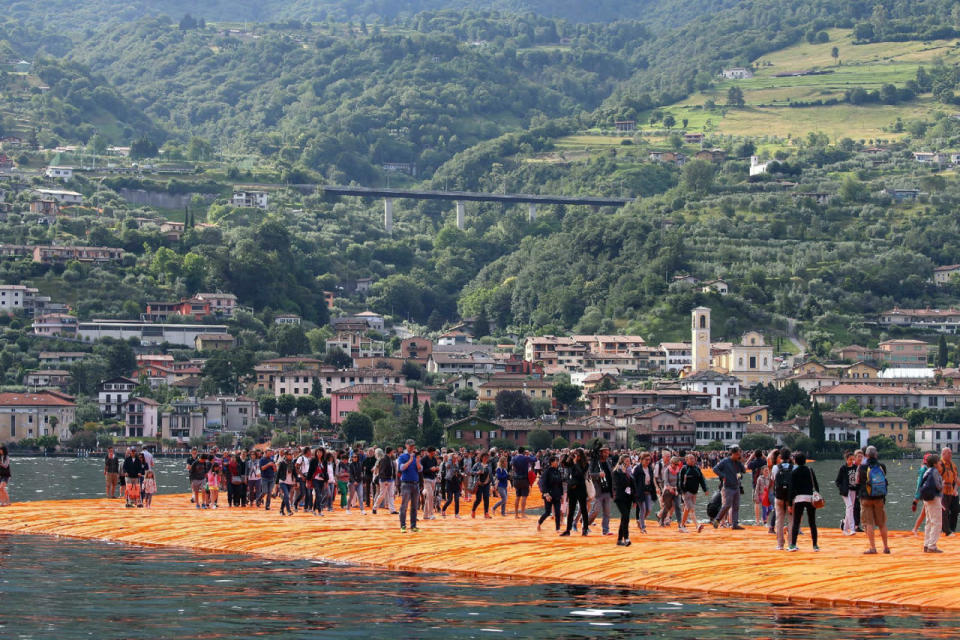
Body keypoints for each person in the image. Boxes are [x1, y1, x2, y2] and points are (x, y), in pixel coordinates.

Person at [857, 445, 891, 555]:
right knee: (882, 523)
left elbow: (857, 482)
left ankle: (873, 548)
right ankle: (886, 547)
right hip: (879, 498)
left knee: (869, 524)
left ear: (866, 455)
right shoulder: (882, 466)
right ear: (876, 454)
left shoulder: (862, 467)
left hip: (866, 498)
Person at [786, 452, 820, 552]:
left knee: (796, 522)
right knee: (812, 522)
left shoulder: (794, 472)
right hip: (810, 498)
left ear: (795, 461)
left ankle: (793, 544)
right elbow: (816, 485)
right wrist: (817, 495)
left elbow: (791, 489)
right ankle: (815, 545)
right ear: (805, 460)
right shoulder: (810, 470)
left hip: (799, 499)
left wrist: (789, 503)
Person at [917, 453, 945, 553]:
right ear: (934, 463)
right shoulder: (935, 472)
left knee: (929, 522)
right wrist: (943, 484)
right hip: (934, 498)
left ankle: (926, 544)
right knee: (936, 522)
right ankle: (932, 546)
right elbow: (938, 486)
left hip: (926, 498)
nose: (940, 463)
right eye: (938, 461)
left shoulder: (927, 471)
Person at [561, 449, 590, 537]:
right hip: (572, 488)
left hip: (580, 488)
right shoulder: (571, 462)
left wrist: (575, 463)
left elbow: (581, 474)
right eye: (575, 454)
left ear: (581, 456)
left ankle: (585, 529)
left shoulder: (585, 464)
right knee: (571, 510)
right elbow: (563, 464)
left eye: (577, 454)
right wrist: (568, 455)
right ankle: (568, 530)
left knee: (583, 509)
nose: (576, 456)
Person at [588, 446, 614, 536]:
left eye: (608, 452)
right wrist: (598, 474)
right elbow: (589, 475)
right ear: (600, 453)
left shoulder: (608, 462)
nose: (607, 454)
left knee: (607, 512)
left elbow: (611, 476)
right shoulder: (594, 462)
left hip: (607, 490)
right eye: (605, 452)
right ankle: (585, 524)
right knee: (595, 510)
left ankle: (605, 530)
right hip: (597, 490)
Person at [678, 453, 708, 533]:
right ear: (686, 460)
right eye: (690, 459)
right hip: (686, 492)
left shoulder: (697, 469)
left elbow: (702, 480)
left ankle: (681, 526)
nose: (692, 460)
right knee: (691, 509)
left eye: (693, 458)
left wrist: (705, 489)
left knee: (687, 509)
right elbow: (680, 481)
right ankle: (697, 525)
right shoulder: (684, 469)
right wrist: (683, 491)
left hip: (694, 492)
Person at [397, 439, 422, 532]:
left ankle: (413, 526)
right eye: (410, 445)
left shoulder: (416, 457)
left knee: (414, 506)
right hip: (406, 483)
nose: (412, 447)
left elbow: (420, 470)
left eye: (413, 446)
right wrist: (410, 460)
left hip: (415, 484)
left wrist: (417, 461)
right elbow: (401, 468)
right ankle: (403, 526)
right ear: (406, 445)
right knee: (404, 506)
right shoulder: (402, 456)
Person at [771, 448, 793, 549]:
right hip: (791, 498)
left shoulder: (775, 468)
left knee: (779, 520)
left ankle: (780, 544)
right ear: (790, 457)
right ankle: (791, 544)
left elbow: (773, 479)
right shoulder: (794, 468)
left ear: (780, 457)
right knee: (791, 520)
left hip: (779, 496)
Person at [613, 454, 636, 547]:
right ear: (622, 462)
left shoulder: (629, 471)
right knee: (625, 516)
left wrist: (634, 500)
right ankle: (626, 538)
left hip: (629, 498)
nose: (628, 463)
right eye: (626, 461)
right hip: (620, 498)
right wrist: (623, 473)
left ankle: (619, 539)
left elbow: (633, 486)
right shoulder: (617, 472)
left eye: (629, 461)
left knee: (624, 518)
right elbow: (619, 484)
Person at [538, 456, 564, 532]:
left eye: (557, 461)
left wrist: (561, 495)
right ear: (551, 462)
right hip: (548, 494)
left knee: (558, 511)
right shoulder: (547, 471)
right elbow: (543, 484)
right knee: (547, 512)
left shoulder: (558, 471)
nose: (557, 462)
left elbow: (560, 484)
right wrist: (546, 494)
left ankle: (557, 528)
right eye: (556, 461)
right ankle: (539, 523)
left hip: (557, 494)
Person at [834, 452, 858, 536]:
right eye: (850, 459)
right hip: (845, 491)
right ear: (846, 459)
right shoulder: (843, 468)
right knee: (850, 506)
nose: (852, 461)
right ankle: (852, 528)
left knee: (850, 508)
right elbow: (837, 481)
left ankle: (844, 528)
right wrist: (842, 488)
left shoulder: (856, 467)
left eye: (853, 459)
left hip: (853, 490)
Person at [632, 452, 656, 533]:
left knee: (648, 509)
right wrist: (634, 494)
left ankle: (640, 521)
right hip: (639, 492)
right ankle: (643, 527)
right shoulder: (637, 469)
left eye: (649, 460)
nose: (648, 461)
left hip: (648, 491)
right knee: (643, 509)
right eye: (646, 460)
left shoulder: (649, 468)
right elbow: (633, 481)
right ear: (641, 460)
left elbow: (651, 480)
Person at [511, 447, 537, 518]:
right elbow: (535, 459)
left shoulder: (514, 458)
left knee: (517, 496)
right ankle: (522, 514)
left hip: (516, 478)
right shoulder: (526, 458)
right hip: (524, 479)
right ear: (523, 452)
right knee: (524, 497)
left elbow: (512, 466)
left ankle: (516, 514)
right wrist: (530, 455)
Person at [938, 448, 959, 536]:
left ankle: (952, 529)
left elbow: (956, 478)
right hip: (942, 491)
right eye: (949, 453)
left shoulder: (953, 465)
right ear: (943, 454)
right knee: (944, 511)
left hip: (951, 491)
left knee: (956, 509)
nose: (951, 455)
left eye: (951, 453)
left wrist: (955, 490)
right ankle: (946, 530)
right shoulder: (939, 465)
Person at [373, 447, 397, 515]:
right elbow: (382, 471)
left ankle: (392, 510)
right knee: (382, 495)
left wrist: (393, 479)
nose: (393, 453)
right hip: (385, 480)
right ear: (390, 452)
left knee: (391, 495)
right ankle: (375, 507)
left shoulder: (390, 459)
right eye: (393, 451)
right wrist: (385, 479)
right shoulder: (384, 459)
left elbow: (392, 470)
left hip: (391, 479)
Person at [471, 452, 492, 519]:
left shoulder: (489, 465)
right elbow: (471, 472)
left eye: (487, 457)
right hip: (479, 484)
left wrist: (493, 484)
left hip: (486, 484)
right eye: (484, 457)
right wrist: (477, 472)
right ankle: (473, 510)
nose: (486, 458)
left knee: (486, 499)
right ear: (481, 457)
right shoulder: (477, 464)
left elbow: (491, 475)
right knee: (478, 499)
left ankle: (486, 513)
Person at [441, 453, 463, 518]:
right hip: (449, 482)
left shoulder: (456, 464)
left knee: (457, 499)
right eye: (454, 458)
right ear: (451, 458)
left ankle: (457, 513)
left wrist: (460, 474)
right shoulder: (448, 463)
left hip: (456, 482)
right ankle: (443, 509)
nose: (455, 459)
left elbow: (458, 471)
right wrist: (450, 460)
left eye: (456, 458)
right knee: (450, 499)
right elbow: (447, 466)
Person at [277, 451, 297, 516]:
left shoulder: (292, 463)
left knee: (286, 497)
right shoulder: (282, 463)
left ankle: (281, 510)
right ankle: (288, 510)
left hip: (289, 482)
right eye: (289, 455)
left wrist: (297, 481)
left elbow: (294, 473)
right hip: (283, 481)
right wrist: (276, 483)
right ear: (286, 455)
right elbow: (278, 473)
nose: (291, 456)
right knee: (287, 495)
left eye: (291, 455)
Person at [421, 447, 440, 520]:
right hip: (426, 479)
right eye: (432, 453)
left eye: (434, 453)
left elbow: (435, 468)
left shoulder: (434, 459)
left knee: (429, 497)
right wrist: (430, 469)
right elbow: (421, 470)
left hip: (433, 479)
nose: (433, 454)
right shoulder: (424, 460)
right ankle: (431, 514)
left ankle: (425, 515)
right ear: (428, 452)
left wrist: (436, 469)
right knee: (431, 495)